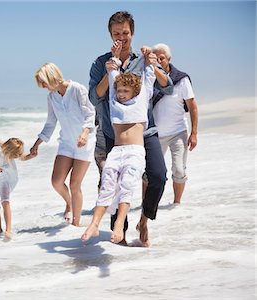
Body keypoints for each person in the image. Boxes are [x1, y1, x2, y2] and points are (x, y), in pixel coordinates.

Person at [88, 11, 174, 246]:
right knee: (114, 183)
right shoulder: (100, 63)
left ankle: (144, 220)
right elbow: (94, 98)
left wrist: (153, 64)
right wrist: (109, 71)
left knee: (158, 177)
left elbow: (168, 88)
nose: (121, 38)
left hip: (145, 131)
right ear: (110, 34)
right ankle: (120, 234)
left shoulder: (142, 59)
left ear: (132, 33)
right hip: (113, 134)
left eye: (125, 33)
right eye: (117, 34)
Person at [82, 44, 156, 244]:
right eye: (120, 90)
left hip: (135, 152)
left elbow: (149, 76)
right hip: (116, 150)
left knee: (127, 184)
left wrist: (148, 57)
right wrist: (114, 58)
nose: (121, 93)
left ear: (134, 91)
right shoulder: (114, 101)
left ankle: (119, 224)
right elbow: (113, 73)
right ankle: (94, 223)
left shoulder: (142, 98)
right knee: (107, 184)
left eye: (125, 91)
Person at [30, 62, 96, 226]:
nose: (44, 87)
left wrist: (85, 133)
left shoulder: (77, 89)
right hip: (66, 143)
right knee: (56, 181)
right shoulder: (52, 97)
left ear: (51, 77)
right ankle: (69, 203)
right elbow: (50, 123)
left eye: (44, 83)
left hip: (84, 143)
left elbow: (90, 114)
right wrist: (37, 143)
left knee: (75, 184)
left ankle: (76, 224)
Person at [151, 43, 198, 204]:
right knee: (152, 173)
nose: (158, 61)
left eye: (161, 58)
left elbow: (192, 107)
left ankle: (176, 204)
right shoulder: (149, 78)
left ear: (169, 59)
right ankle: (149, 205)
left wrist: (194, 133)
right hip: (156, 134)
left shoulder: (181, 79)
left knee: (179, 170)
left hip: (178, 132)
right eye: (155, 58)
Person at [0, 138, 35, 239]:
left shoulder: (13, 149)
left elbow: (22, 157)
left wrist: (32, 156)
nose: (14, 157)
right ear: (9, 150)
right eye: (13, 155)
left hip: (5, 176)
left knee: (5, 201)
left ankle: (8, 231)